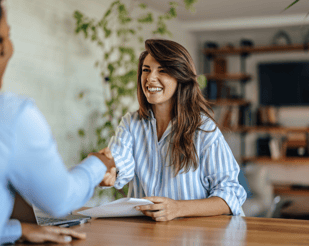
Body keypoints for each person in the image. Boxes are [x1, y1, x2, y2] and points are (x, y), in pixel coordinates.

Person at [0, 0, 115, 246]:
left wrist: (17, 230)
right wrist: (98, 164)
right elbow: (61, 200)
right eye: (8, 34)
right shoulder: (6, 114)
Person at [101, 39, 247, 221]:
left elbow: (231, 195)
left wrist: (178, 208)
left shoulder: (203, 129)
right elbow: (119, 160)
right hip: (148, 234)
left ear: (181, 77)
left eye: (162, 70)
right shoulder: (131, 123)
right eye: (146, 70)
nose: (150, 78)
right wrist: (106, 170)